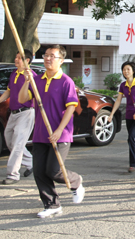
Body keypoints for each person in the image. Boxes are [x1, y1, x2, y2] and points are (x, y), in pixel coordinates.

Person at [20, 45, 84, 219]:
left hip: (60, 134)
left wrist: (59, 130)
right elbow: (22, 99)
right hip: (41, 133)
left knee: (54, 170)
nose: (48, 58)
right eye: (46, 55)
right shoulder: (37, 80)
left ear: (61, 60)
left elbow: (71, 108)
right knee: (39, 171)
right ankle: (52, 204)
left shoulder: (66, 81)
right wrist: (27, 81)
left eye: (52, 56)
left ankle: (75, 181)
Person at [0, 50, 36, 185]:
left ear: (27, 61)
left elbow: (37, 95)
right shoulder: (14, 74)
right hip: (13, 113)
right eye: (16, 57)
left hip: (26, 113)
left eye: (19, 58)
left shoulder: (32, 76)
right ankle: (32, 163)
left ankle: (13, 175)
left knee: (17, 144)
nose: (16, 60)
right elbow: (9, 91)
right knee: (10, 141)